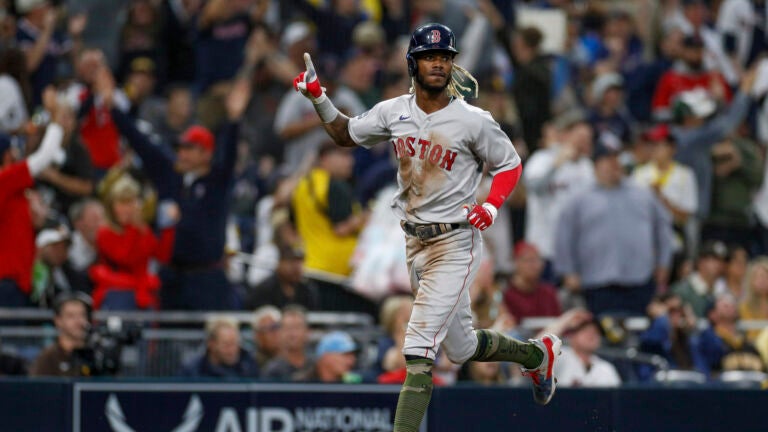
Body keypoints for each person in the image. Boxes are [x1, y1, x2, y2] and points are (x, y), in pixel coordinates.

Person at [293, 23, 561, 431]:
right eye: (429, 57)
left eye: (444, 57)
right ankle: (537, 356)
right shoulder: (392, 111)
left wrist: (491, 204)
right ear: (412, 63)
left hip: (455, 240)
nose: (437, 64)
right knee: (461, 347)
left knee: (417, 348)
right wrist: (319, 98)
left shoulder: (474, 120)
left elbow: (509, 163)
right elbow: (346, 134)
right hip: (415, 243)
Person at [99, 66, 253, 310]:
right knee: (168, 342)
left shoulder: (217, 181)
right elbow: (140, 142)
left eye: (190, 148)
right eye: (181, 148)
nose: (182, 153)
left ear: (206, 154)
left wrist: (233, 120)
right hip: (171, 277)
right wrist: (113, 108)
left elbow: (230, 155)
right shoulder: (169, 174)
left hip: (207, 278)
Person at [554, 131, 674, 316]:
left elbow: (663, 227)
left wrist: (663, 263)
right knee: (603, 333)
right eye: (607, 160)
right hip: (597, 280)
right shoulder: (579, 198)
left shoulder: (642, 193)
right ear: (595, 165)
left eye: (616, 158)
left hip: (638, 278)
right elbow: (564, 236)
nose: (614, 164)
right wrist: (568, 271)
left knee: (639, 332)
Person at [0, 110, 64, 307]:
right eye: (13, 151)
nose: (17, 154)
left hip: (17, 280)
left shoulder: (11, 186)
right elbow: (44, 157)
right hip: (6, 281)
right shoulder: (4, 180)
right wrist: (57, 123)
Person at [89, 176, 176, 310]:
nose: (127, 209)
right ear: (111, 206)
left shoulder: (142, 228)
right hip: (116, 294)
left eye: (131, 202)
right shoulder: (105, 232)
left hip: (143, 296)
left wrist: (168, 229)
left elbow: (162, 256)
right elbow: (125, 258)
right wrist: (134, 229)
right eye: (122, 203)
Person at [551, 310, 622, 388]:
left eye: (596, 332)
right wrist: (567, 319)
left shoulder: (606, 369)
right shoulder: (560, 357)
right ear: (571, 336)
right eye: (585, 330)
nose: (591, 334)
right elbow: (538, 350)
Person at [29, 292, 91, 377]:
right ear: (58, 320)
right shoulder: (48, 358)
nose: (78, 321)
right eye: (71, 316)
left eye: (82, 315)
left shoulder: (94, 355)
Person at [180, 315, 259, 378]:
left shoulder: (248, 366)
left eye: (235, 343)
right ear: (211, 343)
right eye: (226, 344)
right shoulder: (192, 371)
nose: (232, 350)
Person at [245, 244, 318, 311]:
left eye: (299, 263)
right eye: (291, 262)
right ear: (280, 263)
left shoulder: (307, 289)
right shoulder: (264, 290)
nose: (296, 268)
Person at [502, 242, 562, 324]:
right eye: (529, 260)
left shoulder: (549, 292)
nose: (534, 265)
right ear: (516, 263)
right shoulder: (506, 295)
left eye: (537, 260)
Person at [672, 240, 729, 318]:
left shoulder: (724, 291)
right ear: (701, 262)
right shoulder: (682, 290)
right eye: (713, 260)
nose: (719, 264)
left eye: (721, 261)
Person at [261, 305, 313, 381]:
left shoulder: (317, 366)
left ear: (307, 332)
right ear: (280, 332)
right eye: (288, 328)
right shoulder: (272, 371)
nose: (293, 334)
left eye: (297, 327)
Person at [294, 330, 361, 384]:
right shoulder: (301, 384)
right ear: (326, 356)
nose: (352, 360)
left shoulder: (354, 384)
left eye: (353, 355)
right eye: (345, 354)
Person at [739, 257, 768, 342]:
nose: (762, 281)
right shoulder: (744, 306)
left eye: (766, 277)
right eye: (758, 277)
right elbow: (751, 335)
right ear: (750, 280)